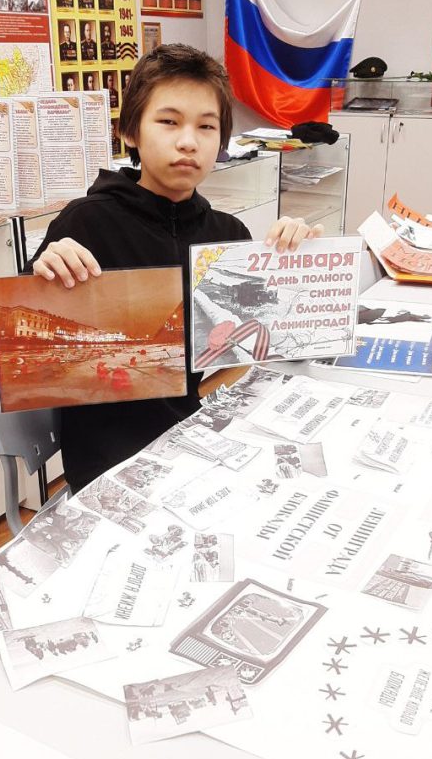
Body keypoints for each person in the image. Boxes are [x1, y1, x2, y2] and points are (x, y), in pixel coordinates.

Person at [29, 44, 323, 493]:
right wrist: (45, 268)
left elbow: (254, 350)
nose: (188, 141)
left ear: (221, 142)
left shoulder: (227, 233)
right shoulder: (85, 223)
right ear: (130, 131)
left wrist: (296, 262)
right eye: (168, 122)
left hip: (201, 438)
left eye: (206, 126)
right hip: (113, 461)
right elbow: (32, 339)